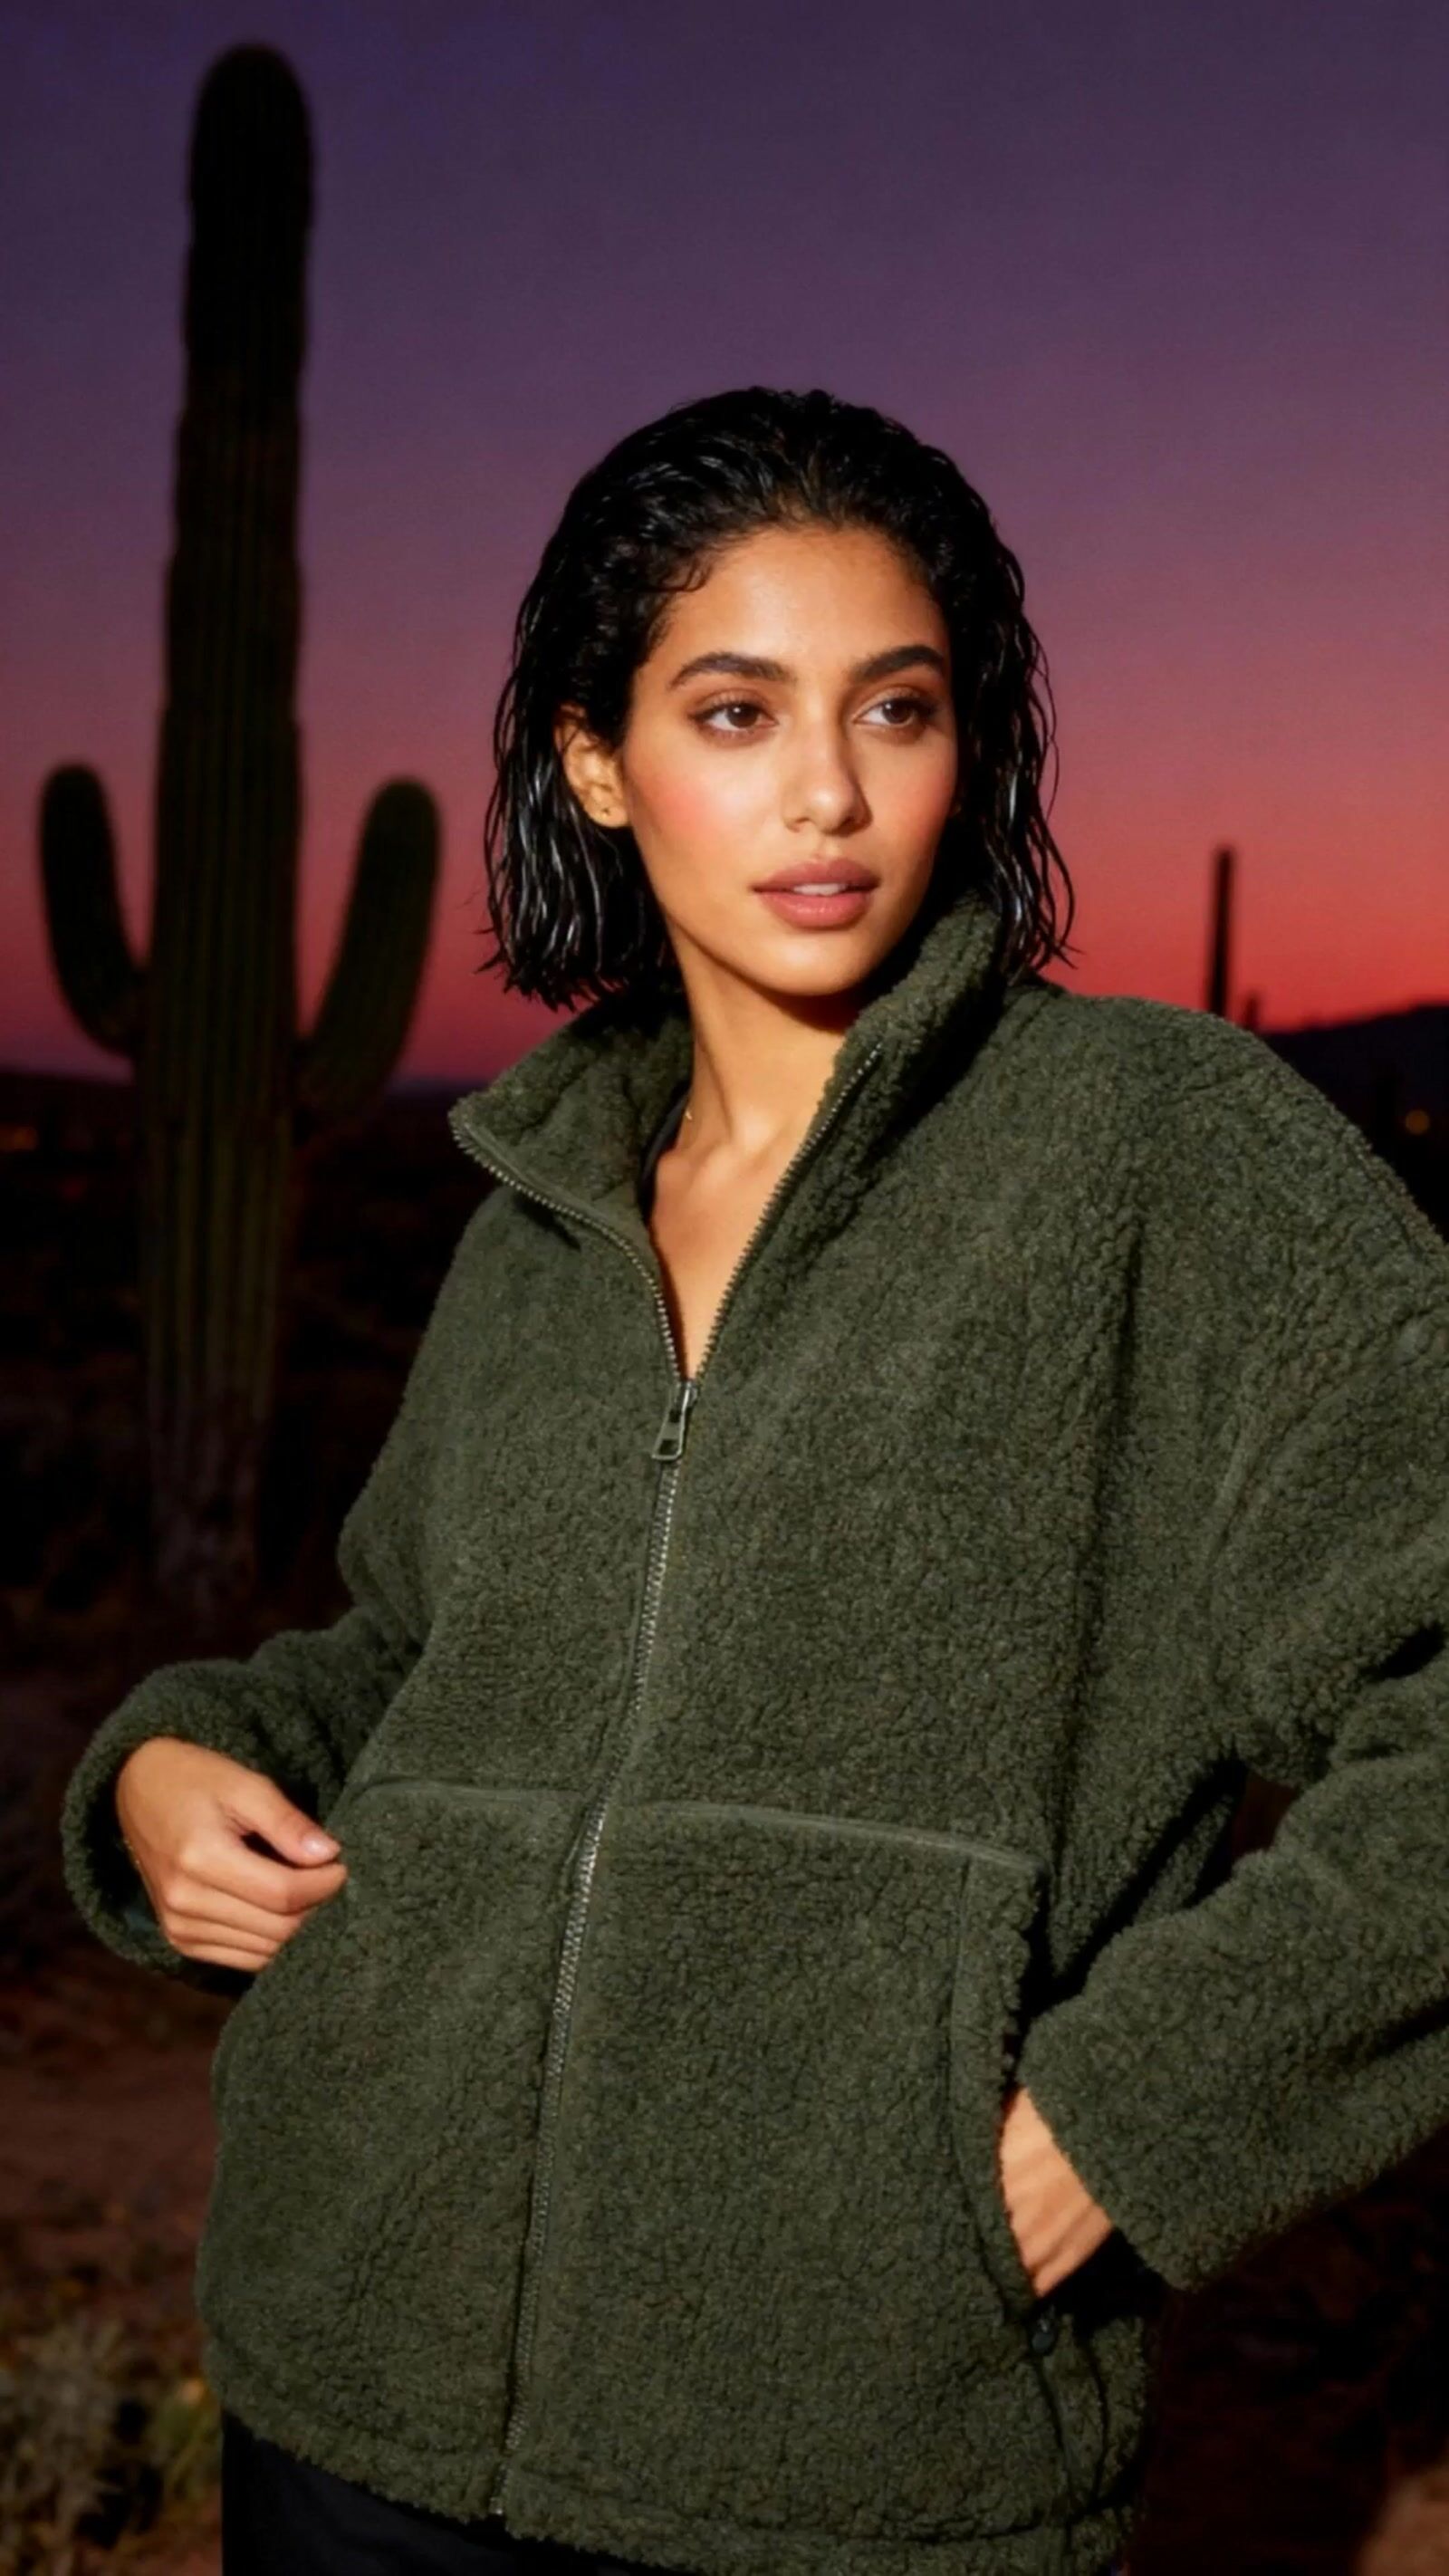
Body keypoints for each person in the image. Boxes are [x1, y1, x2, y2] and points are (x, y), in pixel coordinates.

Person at [61, 384, 1449, 2576]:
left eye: (892, 709)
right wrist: (176, 1764)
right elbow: (417, 1658)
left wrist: (1125, 2121)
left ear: (962, 743)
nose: (824, 792)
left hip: (857, 2472)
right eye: (732, 711)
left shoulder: (1158, 1163)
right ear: (596, 764)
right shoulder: (544, 1205)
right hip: (353, 2399)